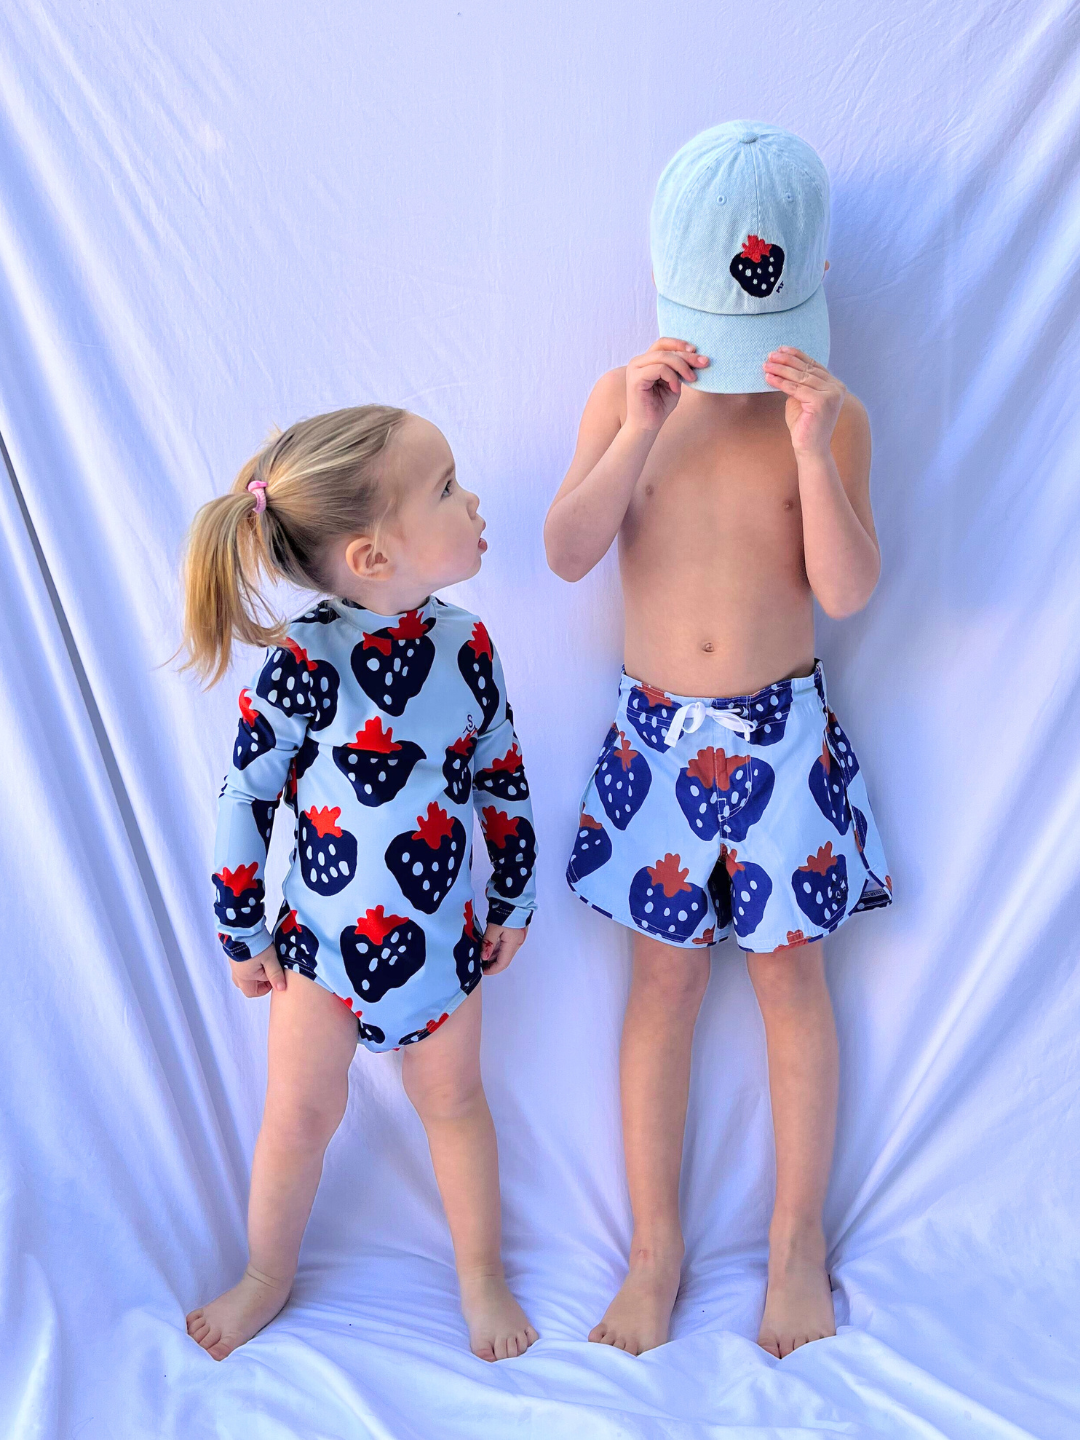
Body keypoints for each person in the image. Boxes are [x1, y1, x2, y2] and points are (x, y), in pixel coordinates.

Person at [544, 121, 892, 1359]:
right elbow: (569, 550)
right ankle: (656, 1248)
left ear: (819, 290)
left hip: (783, 739)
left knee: (793, 979)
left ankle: (797, 1244)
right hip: (652, 750)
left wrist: (813, 453)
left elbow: (846, 591)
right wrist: (636, 428)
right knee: (666, 982)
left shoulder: (828, 417)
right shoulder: (625, 399)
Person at [180, 405, 539, 1362]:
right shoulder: (303, 662)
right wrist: (242, 931)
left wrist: (513, 900)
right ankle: (266, 1274)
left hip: (446, 946)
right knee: (298, 1119)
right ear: (374, 555)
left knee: (457, 1109)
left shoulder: (468, 647)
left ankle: (481, 1276)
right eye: (447, 489)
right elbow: (246, 798)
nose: (473, 501)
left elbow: (501, 775)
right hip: (320, 952)